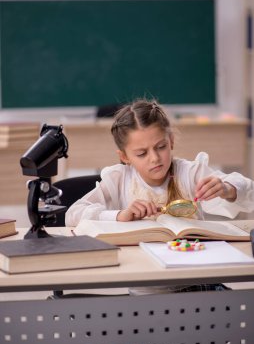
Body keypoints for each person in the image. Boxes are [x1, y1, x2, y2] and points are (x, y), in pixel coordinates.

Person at [65, 98, 254, 293]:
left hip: (197, 284)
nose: (155, 158)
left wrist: (228, 188)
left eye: (161, 147)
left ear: (171, 141)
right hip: (145, 293)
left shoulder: (190, 173)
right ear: (124, 157)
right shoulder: (118, 178)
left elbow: (249, 191)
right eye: (141, 153)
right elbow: (73, 214)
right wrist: (119, 215)